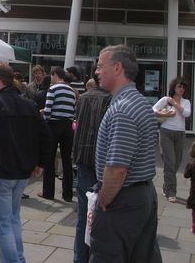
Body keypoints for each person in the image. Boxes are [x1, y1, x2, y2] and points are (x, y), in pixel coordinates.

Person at [90, 44, 161, 262]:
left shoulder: (123, 109)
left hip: (123, 200)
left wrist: (103, 198)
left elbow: (118, 168)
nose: (97, 71)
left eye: (101, 66)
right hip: (142, 195)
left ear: (118, 67)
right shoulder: (139, 102)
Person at [0, 62, 52, 263]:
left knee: (3, 223)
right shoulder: (28, 104)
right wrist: (41, 163)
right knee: (12, 219)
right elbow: (45, 136)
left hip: (1, 173)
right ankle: (18, 258)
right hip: (22, 173)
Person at [72, 73, 111, 263]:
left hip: (83, 159)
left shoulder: (84, 98)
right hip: (102, 162)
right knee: (103, 215)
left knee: (83, 215)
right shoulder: (111, 99)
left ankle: (80, 258)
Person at [153, 76, 191, 203]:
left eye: (183, 87)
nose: (181, 89)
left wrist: (175, 104)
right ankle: (171, 192)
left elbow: (186, 113)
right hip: (166, 132)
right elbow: (152, 110)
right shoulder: (165, 99)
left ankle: (166, 185)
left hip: (179, 134)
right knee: (170, 162)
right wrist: (164, 114)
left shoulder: (185, 102)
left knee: (176, 163)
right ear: (174, 87)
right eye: (179, 86)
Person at [40, 67, 76, 202]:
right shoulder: (72, 91)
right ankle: (67, 194)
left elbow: (48, 110)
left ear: (55, 75)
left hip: (53, 126)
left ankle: (48, 192)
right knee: (67, 160)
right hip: (67, 126)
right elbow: (73, 110)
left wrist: (44, 119)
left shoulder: (53, 89)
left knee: (49, 159)